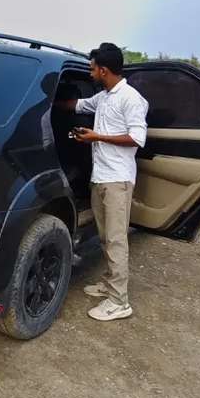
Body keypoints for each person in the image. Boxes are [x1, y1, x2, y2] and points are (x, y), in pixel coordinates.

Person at [56, 42, 148, 322]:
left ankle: (120, 302)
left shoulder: (130, 98)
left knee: (117, 239)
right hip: (100, 177)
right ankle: (109, 283)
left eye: (93, 68)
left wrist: (96, 137)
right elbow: (78, 105)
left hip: (117, 180)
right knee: (106, 236)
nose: (90, 72)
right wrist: (48, 100)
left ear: (104, 70)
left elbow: (137, 138)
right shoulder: (104, 96)